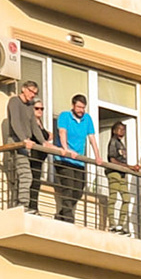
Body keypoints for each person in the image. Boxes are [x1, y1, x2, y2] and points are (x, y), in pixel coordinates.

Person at [53, 93, 100, 224]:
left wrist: (97, 156)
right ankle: (68, 218)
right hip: (64, 159)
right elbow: (62, 133)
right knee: (68, 187)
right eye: (79, 107)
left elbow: (92, 138)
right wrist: (66, 150)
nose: (81, 110)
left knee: (79, 189)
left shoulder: (87, 119)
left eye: (83, 107)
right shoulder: (64, 116)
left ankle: (62, 213)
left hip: (79, 161)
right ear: (73, 106)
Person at [4, 80, 43, 212]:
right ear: (24, 89)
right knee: (25, 174)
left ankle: (18, 204)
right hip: (16, 142)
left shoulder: (30, 106)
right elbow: (15, 122)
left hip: (25, 144)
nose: (33, 95)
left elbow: (34, 127)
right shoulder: (14, 101)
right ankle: (23, 205)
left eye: (35, 93)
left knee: (22, 175)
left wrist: (43, 142)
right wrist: (23, 139)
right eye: (31, 92)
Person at [105, 121, 133, 234]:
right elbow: (112, 160)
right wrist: (129, 167)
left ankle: (120, 225)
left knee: (126, 199)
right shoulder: (113, 142)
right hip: (114, 172)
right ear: (114, 130)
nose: (122, 132)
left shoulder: (121, 144)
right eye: (120, 129)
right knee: (113, 197)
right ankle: (112, 224)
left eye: (124, 130)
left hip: (122, 174)